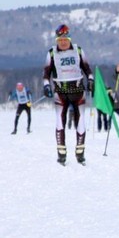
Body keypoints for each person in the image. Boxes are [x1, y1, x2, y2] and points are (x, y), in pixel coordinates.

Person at [42, 24, 94, 164]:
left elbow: (88, 70)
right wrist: (46, 86)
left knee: (80, 120)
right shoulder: (52, 53)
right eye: (60, 40)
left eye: (65, 39)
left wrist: (91, 81)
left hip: (78, 90)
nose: (63, 42)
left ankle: (80, 152)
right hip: (60, 91)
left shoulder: (78, 50)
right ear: (57, 40)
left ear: (69, 39)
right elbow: (46, 73)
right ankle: (61, 153)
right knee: (60, 120)